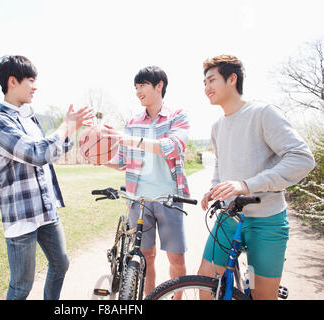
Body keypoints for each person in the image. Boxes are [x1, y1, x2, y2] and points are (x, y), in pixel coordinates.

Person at [198, 54, 315, 300]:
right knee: (205, 285)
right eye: (204, 82)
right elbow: (221, 165)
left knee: (262, 295)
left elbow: (302, 158)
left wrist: (247, 185)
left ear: (232, 79)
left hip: (267, 220)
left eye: (211, 80)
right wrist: (215, 189)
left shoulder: (262, 113)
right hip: (229, 217)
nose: (206, 87)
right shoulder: (217, 126)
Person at [0, 55, 94, 300]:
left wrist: (70, 132)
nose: (36, 86)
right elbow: (36, 153)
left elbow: (51, 152)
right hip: (21, 214)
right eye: (31, 80)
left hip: (45, 209)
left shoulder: (28, 117)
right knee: (21, 285)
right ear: (12, 81)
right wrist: (65, 126)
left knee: (60, 264)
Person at [103, 66, 190, 297]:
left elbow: (173, 147)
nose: (138, 91)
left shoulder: (177, 116)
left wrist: (130, 139)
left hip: (169, 197)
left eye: (142, 86)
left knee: (176, 258)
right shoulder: (132, 122)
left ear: (159, 85)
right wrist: (100, 159)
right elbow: (121, 160)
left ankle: (177, 296)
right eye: (136, 87)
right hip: (138, 199)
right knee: (145, 257)